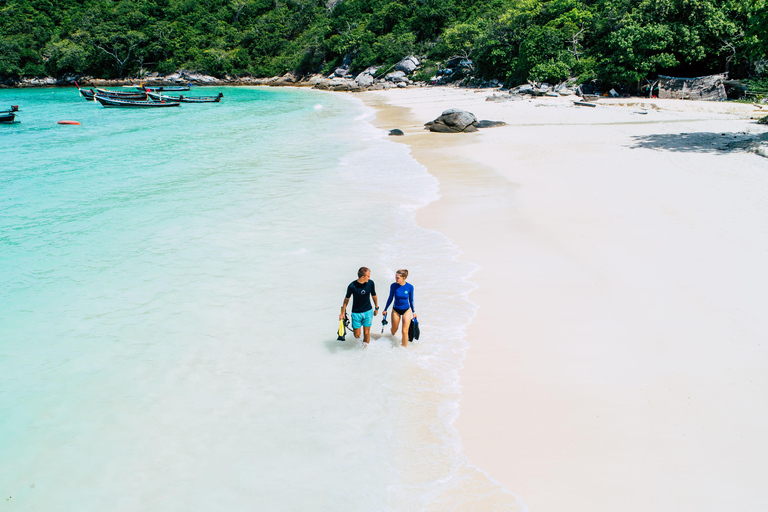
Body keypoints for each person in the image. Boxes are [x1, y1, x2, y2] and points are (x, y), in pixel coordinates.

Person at [340, 267, 378, 344]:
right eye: (368, 276)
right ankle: (359, 343)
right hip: (356, 313)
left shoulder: (370, 283)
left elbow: (374, 295)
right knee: (356, 335)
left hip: (368, 311)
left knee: (366, 333)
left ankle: (365, 349)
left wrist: (376, 307)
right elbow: (346, 299)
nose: (369, 278)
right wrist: (343, 313)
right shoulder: (352, 286)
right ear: (362, 277)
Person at [382, 269, 416, 347]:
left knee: (404, 331)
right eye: (396, 277)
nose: (396, 279)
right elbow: (390, 298)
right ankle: (392, 337)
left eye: (398, 278)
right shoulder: (393, 286)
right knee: (394, 330)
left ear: (404, 278)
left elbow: (411, 300)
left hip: (406, 310)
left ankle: (404, 349)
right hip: (396, 310)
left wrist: (414, 312)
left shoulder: (410, 287)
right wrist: (385, 309)